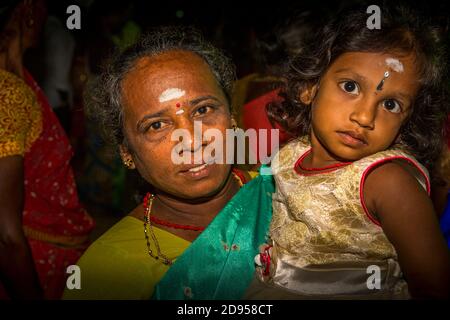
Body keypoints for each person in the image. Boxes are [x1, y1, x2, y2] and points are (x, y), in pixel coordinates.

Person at [244, 4, 450, 299]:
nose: (365, 117)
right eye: (350, 86)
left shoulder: (387, 182)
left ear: (407, 121)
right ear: (309, 88)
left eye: (390, 105)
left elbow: (435, 285)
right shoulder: (289, 156)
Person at [63, 26, 274, 300]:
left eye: (203, 109)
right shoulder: (108, 270)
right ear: (126, 151)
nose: (192, 141)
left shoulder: (288, 194)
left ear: (232, 116)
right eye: (157, 125)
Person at [0, 0, 94, 299]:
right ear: (27, 14)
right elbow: (6, 234)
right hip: (30, 260)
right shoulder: (8, 96)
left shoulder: (17, 81)